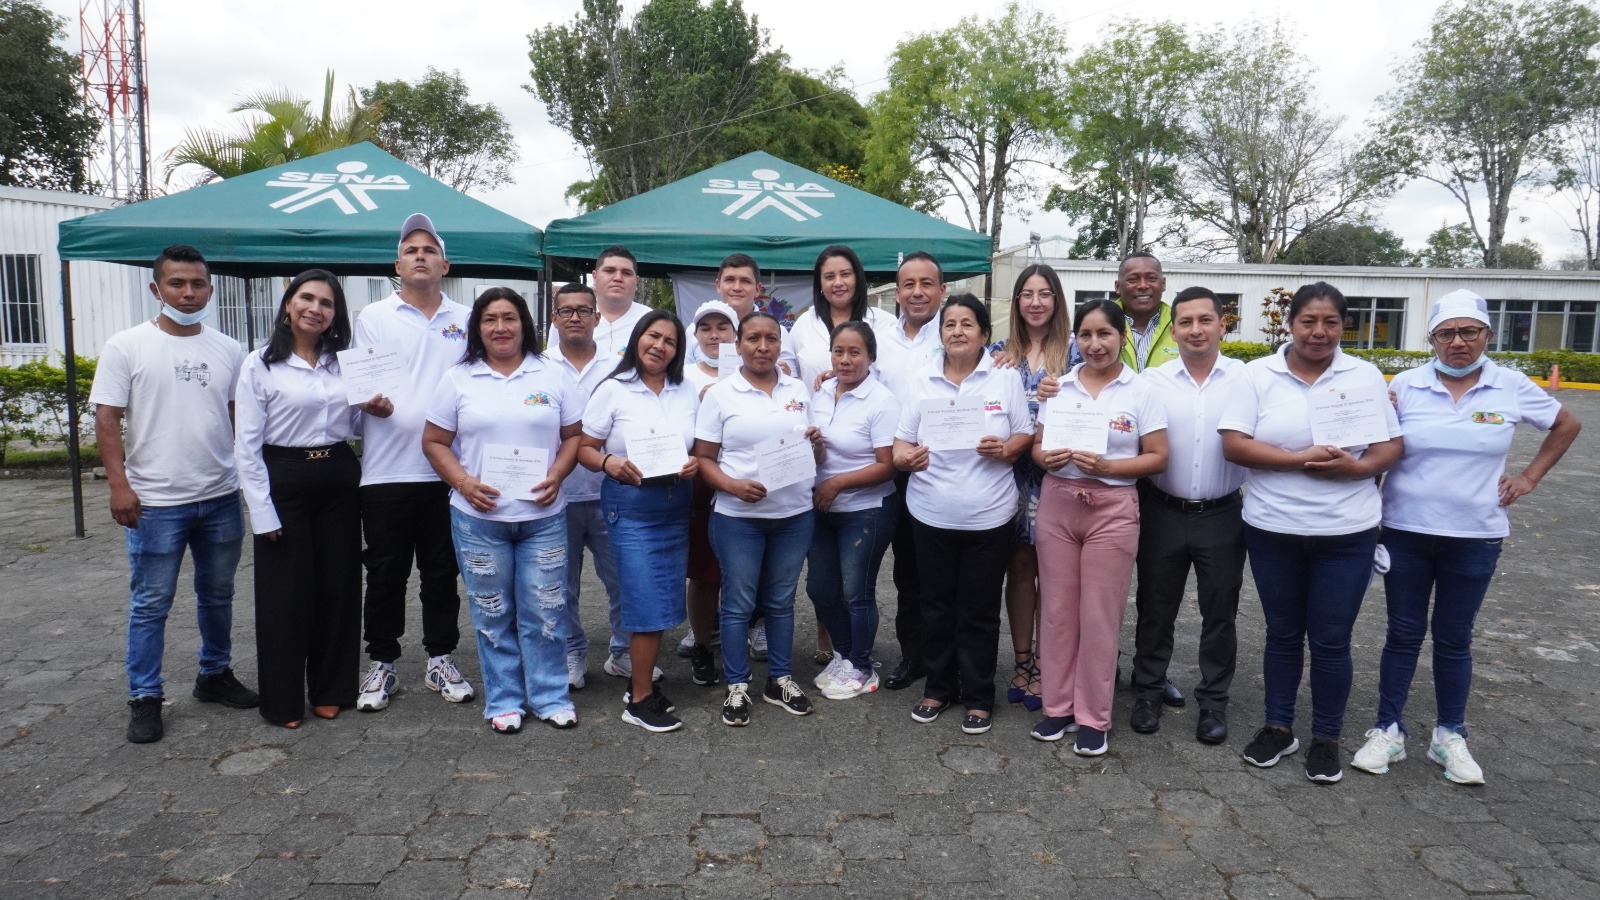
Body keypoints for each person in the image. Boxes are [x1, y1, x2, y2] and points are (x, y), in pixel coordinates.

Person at [1351, 290, 1580, 784]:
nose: (1458, 342)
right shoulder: (1405, 386)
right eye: (1447, 333)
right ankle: (1388, 730)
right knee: (1403, 633)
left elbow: (1566, 423)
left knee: (1454, 638)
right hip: (1407, 529)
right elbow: (1375, 449)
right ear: (1432, 338)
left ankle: (1449, 736)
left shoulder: (1510, 386)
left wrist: (1529, 478)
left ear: (1487, 336)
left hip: (1476, 535)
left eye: (1469, 332)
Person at [1220, 281, 1403, 784]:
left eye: (1330, 322)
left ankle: (1326, 736)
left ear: (1344, 326)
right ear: (1290, 324)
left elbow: (1390, 447)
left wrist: (1355, 469)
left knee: (1330, 639)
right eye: (1308, 322)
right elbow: (1234, 445)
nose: (1319, 332)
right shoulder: (1258, 376)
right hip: (1273, 527)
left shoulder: (1363, 375)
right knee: (1282, 635)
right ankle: (1279, 727)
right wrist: (1299, 459)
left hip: (1346, 533)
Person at [91, 244, 260, 743]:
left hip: (220, 496)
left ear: (211, 288)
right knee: (151, 603)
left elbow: (239, 422)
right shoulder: (127, 346)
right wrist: (119, 487)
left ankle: (214, 674)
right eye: (177, 284)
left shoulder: (230, 350)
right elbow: (107, 420)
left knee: (218, 595)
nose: (188, 293)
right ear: (156, 289)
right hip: (155, 502)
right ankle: (145, 695)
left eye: (198, 284)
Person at [421, 288, 584, 733]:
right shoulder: (459, 378)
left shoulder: (550, 374)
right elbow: (434, 442)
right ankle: (505, 700)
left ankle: (550, 695)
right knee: (492, 613)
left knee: (546, 611)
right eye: (489, 319)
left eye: (509, 318)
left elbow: (574, 436)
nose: (500, 327)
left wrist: (558, 474)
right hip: (479, 521)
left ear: (524, 324)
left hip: (543, 518)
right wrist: (464, 482)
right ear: (477, 328)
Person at [235, 270, 393, 728]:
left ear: (334, 314)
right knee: (286, 595)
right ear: (288, 304)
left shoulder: (346, 363)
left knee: (339, 588)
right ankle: (282, 701)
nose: (315, 308)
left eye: (326, 303)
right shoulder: (259, 364)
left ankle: (331, 689)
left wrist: (375, 411)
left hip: (339, 476)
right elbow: (246, 446)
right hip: (283, 478)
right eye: (306, 298)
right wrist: (261, 511)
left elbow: (358, 427)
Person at [1029, 299, 1169, 756]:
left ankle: (1093, 717)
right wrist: (1043, 457)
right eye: (1085, 336)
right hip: (1059, 503)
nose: (1095, 344)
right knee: (1057, 611)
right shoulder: (1060, 388)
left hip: (1112, 507)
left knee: (1099, 615)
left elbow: (1158, 456)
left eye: (1104, 334)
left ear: (1121, 338)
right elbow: (1036, 446)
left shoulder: (1140, 390)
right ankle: (1058, 708)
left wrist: (1111, 465)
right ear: (1075, 340)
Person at [892, 295, 1033, 735]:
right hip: (930, 510)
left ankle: (978, 696)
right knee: (935, 606)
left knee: (979, 609)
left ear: (984, 335)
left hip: (989, 514)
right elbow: (900, 443)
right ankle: (938, 687)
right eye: (950, 324)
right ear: (941, 334)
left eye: (967, 324)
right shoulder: (921, 380)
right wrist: (906, 459)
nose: (957, 331)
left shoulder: (1004, 379)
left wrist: (1006, 449)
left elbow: (1025, 433)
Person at [351, 213, 474, 712]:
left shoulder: (466, 320)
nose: (419, 255)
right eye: (410, 249)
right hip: (385, 470)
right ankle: (381, 664)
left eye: (428, 249)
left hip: (447, 474)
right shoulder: (372, 317)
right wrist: (366, 401)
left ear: (444, 264)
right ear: (396, 264)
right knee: (385, 575)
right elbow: (358, 386)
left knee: (442, 573)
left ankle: (440, 658)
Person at [1129, 287, 1247, 745]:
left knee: (1221, 612)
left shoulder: (1246, 379)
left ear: (1222, 324)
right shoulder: (1152, 381)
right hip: (1163, 510)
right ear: (1172, 329)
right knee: (1155, 609)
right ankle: (1147, 692)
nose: (1195, 330)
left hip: (1223, 514)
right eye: (1185, 322)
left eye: (1204, 320)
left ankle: (1213, 702)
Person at [694, 311, 822, 726]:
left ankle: (780, 679)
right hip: (738, 517)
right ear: (739, 345)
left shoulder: (798, 389)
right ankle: (737, 685)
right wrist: (732, 487)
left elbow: (811, 455)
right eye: (753, 338)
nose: (763, 346)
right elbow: (704, 459)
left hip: (794, 513)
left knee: (781, 601)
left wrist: (816, 445)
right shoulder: (720, 394)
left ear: (780, 344)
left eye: (771, 339)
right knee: (738, 602)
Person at [577, 310, 702, 732]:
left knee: (665, 595)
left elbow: (700, 449)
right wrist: (609, 462)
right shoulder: (613, 388)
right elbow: (585, 448)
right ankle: (640, 699)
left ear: (677, 350)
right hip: (630, 504)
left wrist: (693, 466)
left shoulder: (686, 391)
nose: (660, 346)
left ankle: (641, 685)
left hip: (674, 504)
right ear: (637, 339)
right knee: (646, 599)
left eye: (669, 341)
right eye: (653, 336)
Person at [543, 282, 650, 692]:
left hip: (611, 492)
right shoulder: (539, 364)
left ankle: (622, 653)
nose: (574, 317)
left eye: (583, 310)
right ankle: (572, 650)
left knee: (622, 577)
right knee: (561, 582)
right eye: (566, 310)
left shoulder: (620, 365)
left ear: (596, 316)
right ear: (554, 317)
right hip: (558, 495)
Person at [988, 264, 1072, 713]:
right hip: (1009, 475)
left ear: (1057, 300)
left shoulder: (1077, 352)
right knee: (1019, 569)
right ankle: (1023, 662)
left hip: (1062, 475)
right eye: (1026, 293)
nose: (1035, 301)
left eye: (1044, 293)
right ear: (1016, 302)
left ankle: (1051, 663)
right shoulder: (999, 353)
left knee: (1057, 574)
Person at [807, 322, 901, 700]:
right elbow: (817, 450)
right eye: (838, 351)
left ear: (871, 358)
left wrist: (837, 483)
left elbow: (888, 465)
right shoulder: (821, 391)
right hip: (821, 508)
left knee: (855, 591)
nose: (845, 360)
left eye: (855, 352)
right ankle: (847, 657)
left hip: (866, 509)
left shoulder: (882, 401)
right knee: (819, 589)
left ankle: (862, 667)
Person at [875, 251, 948, 692]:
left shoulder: (959, 333)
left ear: (942, 290)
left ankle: (951, 655)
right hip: (897, 468)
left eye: (927, 283)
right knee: (908, 569)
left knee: (946, 571)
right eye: (908, 284)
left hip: (951, 469)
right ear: (897, 291)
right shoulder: (880, 338)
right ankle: (913, 655)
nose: (917, 292)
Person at [677, 300, 739, 681]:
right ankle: (702, 643)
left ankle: (742, 640)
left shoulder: (758, 372)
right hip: (701, 486)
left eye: (723, 327)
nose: (715, 335)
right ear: (695, 335)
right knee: (703, 573)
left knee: (745, 571)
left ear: (736, 333)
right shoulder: (684, 379)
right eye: (706, 328)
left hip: (747, 484)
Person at [788, 245, 894, 389]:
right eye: (829, 277)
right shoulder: (804, 324)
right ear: (820, 283)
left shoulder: (886, 324)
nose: (838, 283)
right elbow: (790, 379)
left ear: (858, 278)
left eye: (845, 274)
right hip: (817, 410)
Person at [546, 245, 653, 359]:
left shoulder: (650, 320)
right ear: (595, 276)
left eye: (626, 273)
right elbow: (553, 362)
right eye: (609, 271)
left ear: (637, 281)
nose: (618, 278)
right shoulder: (567, 318)